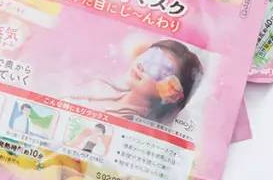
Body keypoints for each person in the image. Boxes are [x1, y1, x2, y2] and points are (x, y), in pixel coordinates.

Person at [68, 40, 203, 125]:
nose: (142, 66)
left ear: (171, 94)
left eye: (162, 68)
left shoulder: (132, 125)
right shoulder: (100, 87)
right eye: (150, 56)